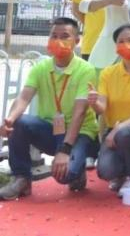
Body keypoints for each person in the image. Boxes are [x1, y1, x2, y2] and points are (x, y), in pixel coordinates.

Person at [0, 18, 99, 199]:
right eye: (54, 36)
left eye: (65, 36)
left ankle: (77, 170)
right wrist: (10, 119)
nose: (58, 40)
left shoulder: (86, 70)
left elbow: (80, 113)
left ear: (77, 41)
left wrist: (65, 150)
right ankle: (21, 179)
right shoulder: (41, 68)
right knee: (19, 123)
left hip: (80, 132)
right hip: (50, 129)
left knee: (64, 175)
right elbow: (24, 97)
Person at [92, 23, 130, 195]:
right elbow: (102, 107)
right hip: (113, 131)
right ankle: (121, 173)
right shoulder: (108, 73)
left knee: (126, 134)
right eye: (121, 42)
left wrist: (120, 128)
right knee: (106, 171)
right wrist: (94, 102)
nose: (126, 45)